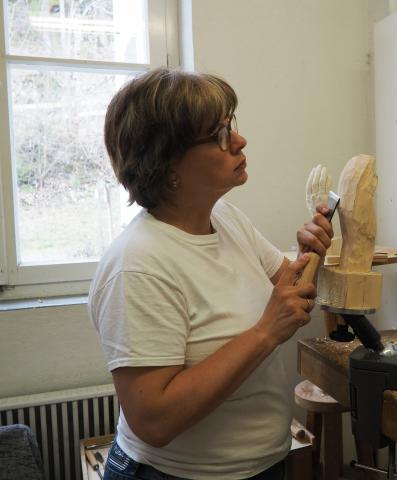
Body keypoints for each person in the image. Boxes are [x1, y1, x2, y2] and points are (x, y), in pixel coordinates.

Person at [88, 67, 334, 480]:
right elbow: (153, 421)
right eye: (219, 135)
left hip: (260, 464)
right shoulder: (137, 265)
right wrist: (264, 332)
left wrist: (310, 257)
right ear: (168, 164)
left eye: (230, 125)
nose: (239, 140)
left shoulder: (225, 217)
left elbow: (291, 293)